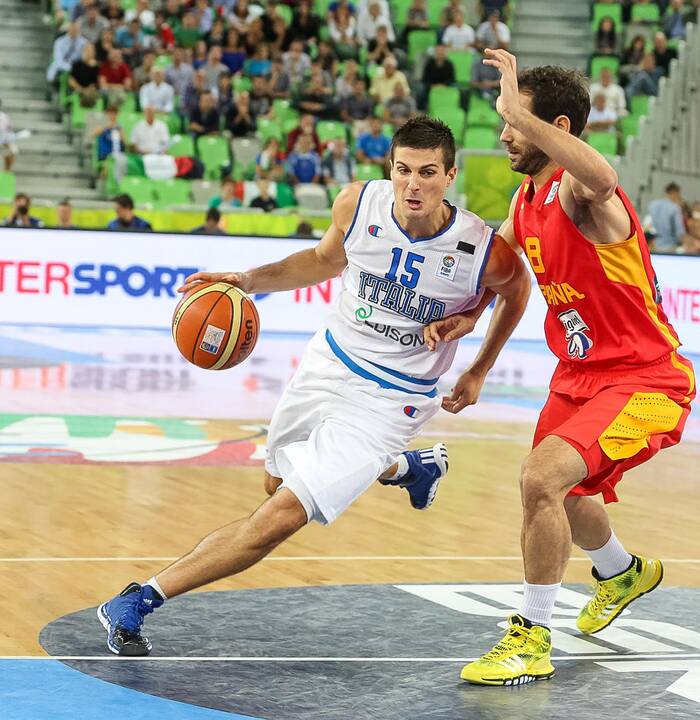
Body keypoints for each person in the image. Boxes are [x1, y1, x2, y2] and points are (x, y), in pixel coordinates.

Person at [95, 115, 531, 657]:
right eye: (402, 170)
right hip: (328, 362)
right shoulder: (357, 204)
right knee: (275, 487)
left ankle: (139, 599)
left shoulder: (483, 251)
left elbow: (518, 292)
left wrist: (478, 365)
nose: (412, 185)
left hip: (392, 399)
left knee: (278, 518)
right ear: (388, 168)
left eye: (427, 173)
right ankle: (411, 468)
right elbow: (324, 261)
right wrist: (247, 281)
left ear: (449, 176)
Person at [460, 50, 694, 686]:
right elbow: (496, 270)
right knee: (567, 494)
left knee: (540, 479)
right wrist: (468, 336)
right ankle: (622, 572)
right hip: (578, 376)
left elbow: (602, 174)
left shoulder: (581, 192)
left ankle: (533, 639)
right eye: (504, 121)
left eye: (515, 121)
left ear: (557, 129)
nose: (505, 132)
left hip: (648, 379)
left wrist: (523, 111)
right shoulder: (526, 197)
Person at [647, 182, 684, 251]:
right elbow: (679, 231)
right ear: (674, 193)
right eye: (678, 195)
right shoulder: (674, 207)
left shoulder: (652, 204)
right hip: (669, 246)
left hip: (652, 245)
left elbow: (647, 224)